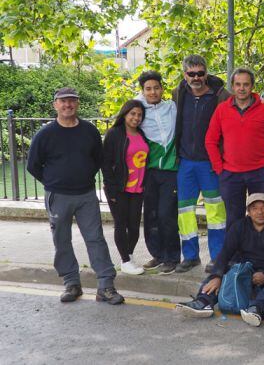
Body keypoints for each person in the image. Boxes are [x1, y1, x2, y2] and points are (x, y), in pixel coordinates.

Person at [27, 87, 124, 305]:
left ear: (77, 105)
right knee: (61, 240)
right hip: (58, 196)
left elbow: (99, 159)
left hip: (86, 194)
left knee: (96, 239)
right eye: (63, 101)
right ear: (55, 105)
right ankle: (71, 283)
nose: (67, 105)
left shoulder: (89, 130)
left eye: (72, 101)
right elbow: (33, 165)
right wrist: (53, 182)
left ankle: (106, 286)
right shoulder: (45, 134)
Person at [175, 193, 264, 327]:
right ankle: (203, 302)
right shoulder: (239, 226)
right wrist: (217, 275)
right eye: (254, 208)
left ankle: (257, 309)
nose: (260, 212)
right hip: (246, 268)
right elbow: (225, 253)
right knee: (224, 270)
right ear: (248, 211)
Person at [205, 67, 264, 230]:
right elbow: (210, 140)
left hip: (260, 173)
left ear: (252, 86)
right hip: (230, 174)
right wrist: (219, 168)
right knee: (234, 220)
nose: (242, 88)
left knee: (263, 217)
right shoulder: (222, 110)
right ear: (232, 86)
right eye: (238, 84)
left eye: (246, 84)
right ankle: (236, 255)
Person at [172, 54, 230, 273]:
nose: (196, 77)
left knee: (216, 213)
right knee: (185, 212)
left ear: (206, 73)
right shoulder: (179, 94)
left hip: (211, 163)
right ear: (184, 74)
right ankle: (190, 256)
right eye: (191, 73)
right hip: (186, 163)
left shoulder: (221, 95)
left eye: (200, 73)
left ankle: (217, 257)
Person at [136, 70, 181, 274]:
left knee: (166, 214)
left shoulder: (171, 107)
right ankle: (157, 254)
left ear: (162, 89)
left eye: (156, 87)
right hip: (148, 171)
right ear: (142, 91)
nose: (152, 92)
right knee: (151, 214)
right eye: (148, 89)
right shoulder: (137, 109)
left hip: (170, 170)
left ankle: (172, 256)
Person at [102, 100, 149, 276]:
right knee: (121, 225)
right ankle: (125, 260)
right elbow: (105, 163)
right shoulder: (115, 134)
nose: (136, 118)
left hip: (138, 188)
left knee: (135, 226)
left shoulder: (142, 134)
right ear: (125, 114)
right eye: (133, 114)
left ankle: (128, 256)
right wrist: (111, 188)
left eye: (139, 115)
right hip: (119, 188)